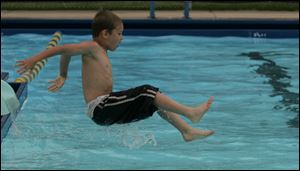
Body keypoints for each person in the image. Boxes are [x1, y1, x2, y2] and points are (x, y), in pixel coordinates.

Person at [16, 10, 214, 142]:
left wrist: (63, 74)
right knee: (147, 91)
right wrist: (36, 59)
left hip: (107, 107)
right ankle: (190, 113)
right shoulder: (92, 47)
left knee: (154, 100)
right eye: (119, 33)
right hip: (100, 107)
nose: (122, 38)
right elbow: (64, 48)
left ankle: (185, 131)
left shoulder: (100, 51)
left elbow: (67, 53)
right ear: (105, 34)